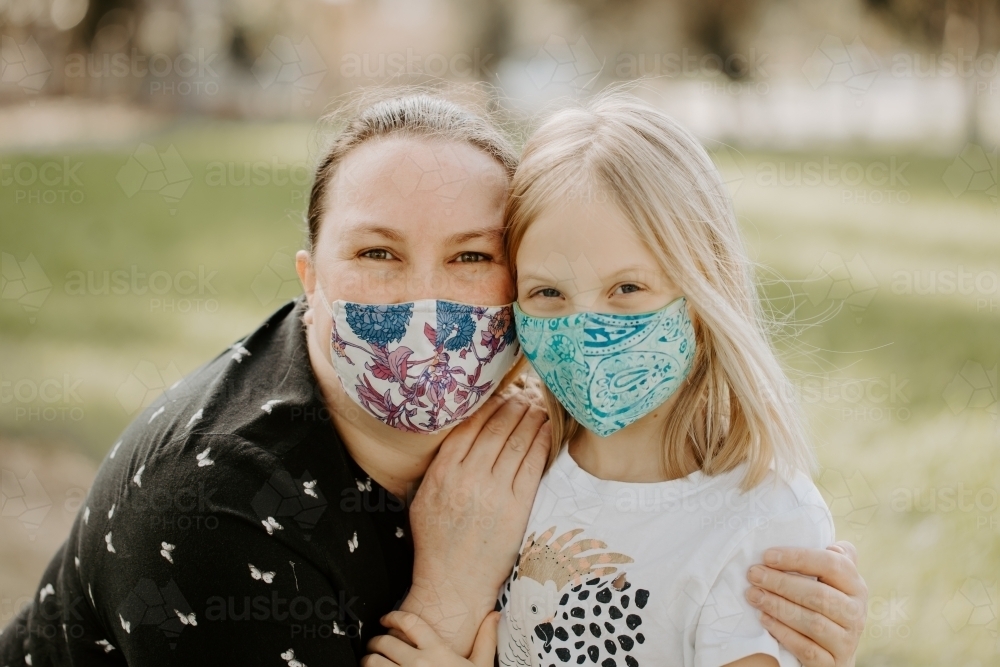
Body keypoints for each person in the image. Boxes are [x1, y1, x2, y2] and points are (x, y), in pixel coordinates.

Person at [0, 92, 867, 667]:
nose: (426, 305)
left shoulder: (531, 418)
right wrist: (446, 599)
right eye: (378, 253)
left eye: (471, 257)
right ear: (310, 281)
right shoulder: (214, 508)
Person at [363, 92, 869, 667]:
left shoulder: (765, 526)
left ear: (704, 290)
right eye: (547, 293)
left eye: (627, 289)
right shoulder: (513, 464)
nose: (586, 330)